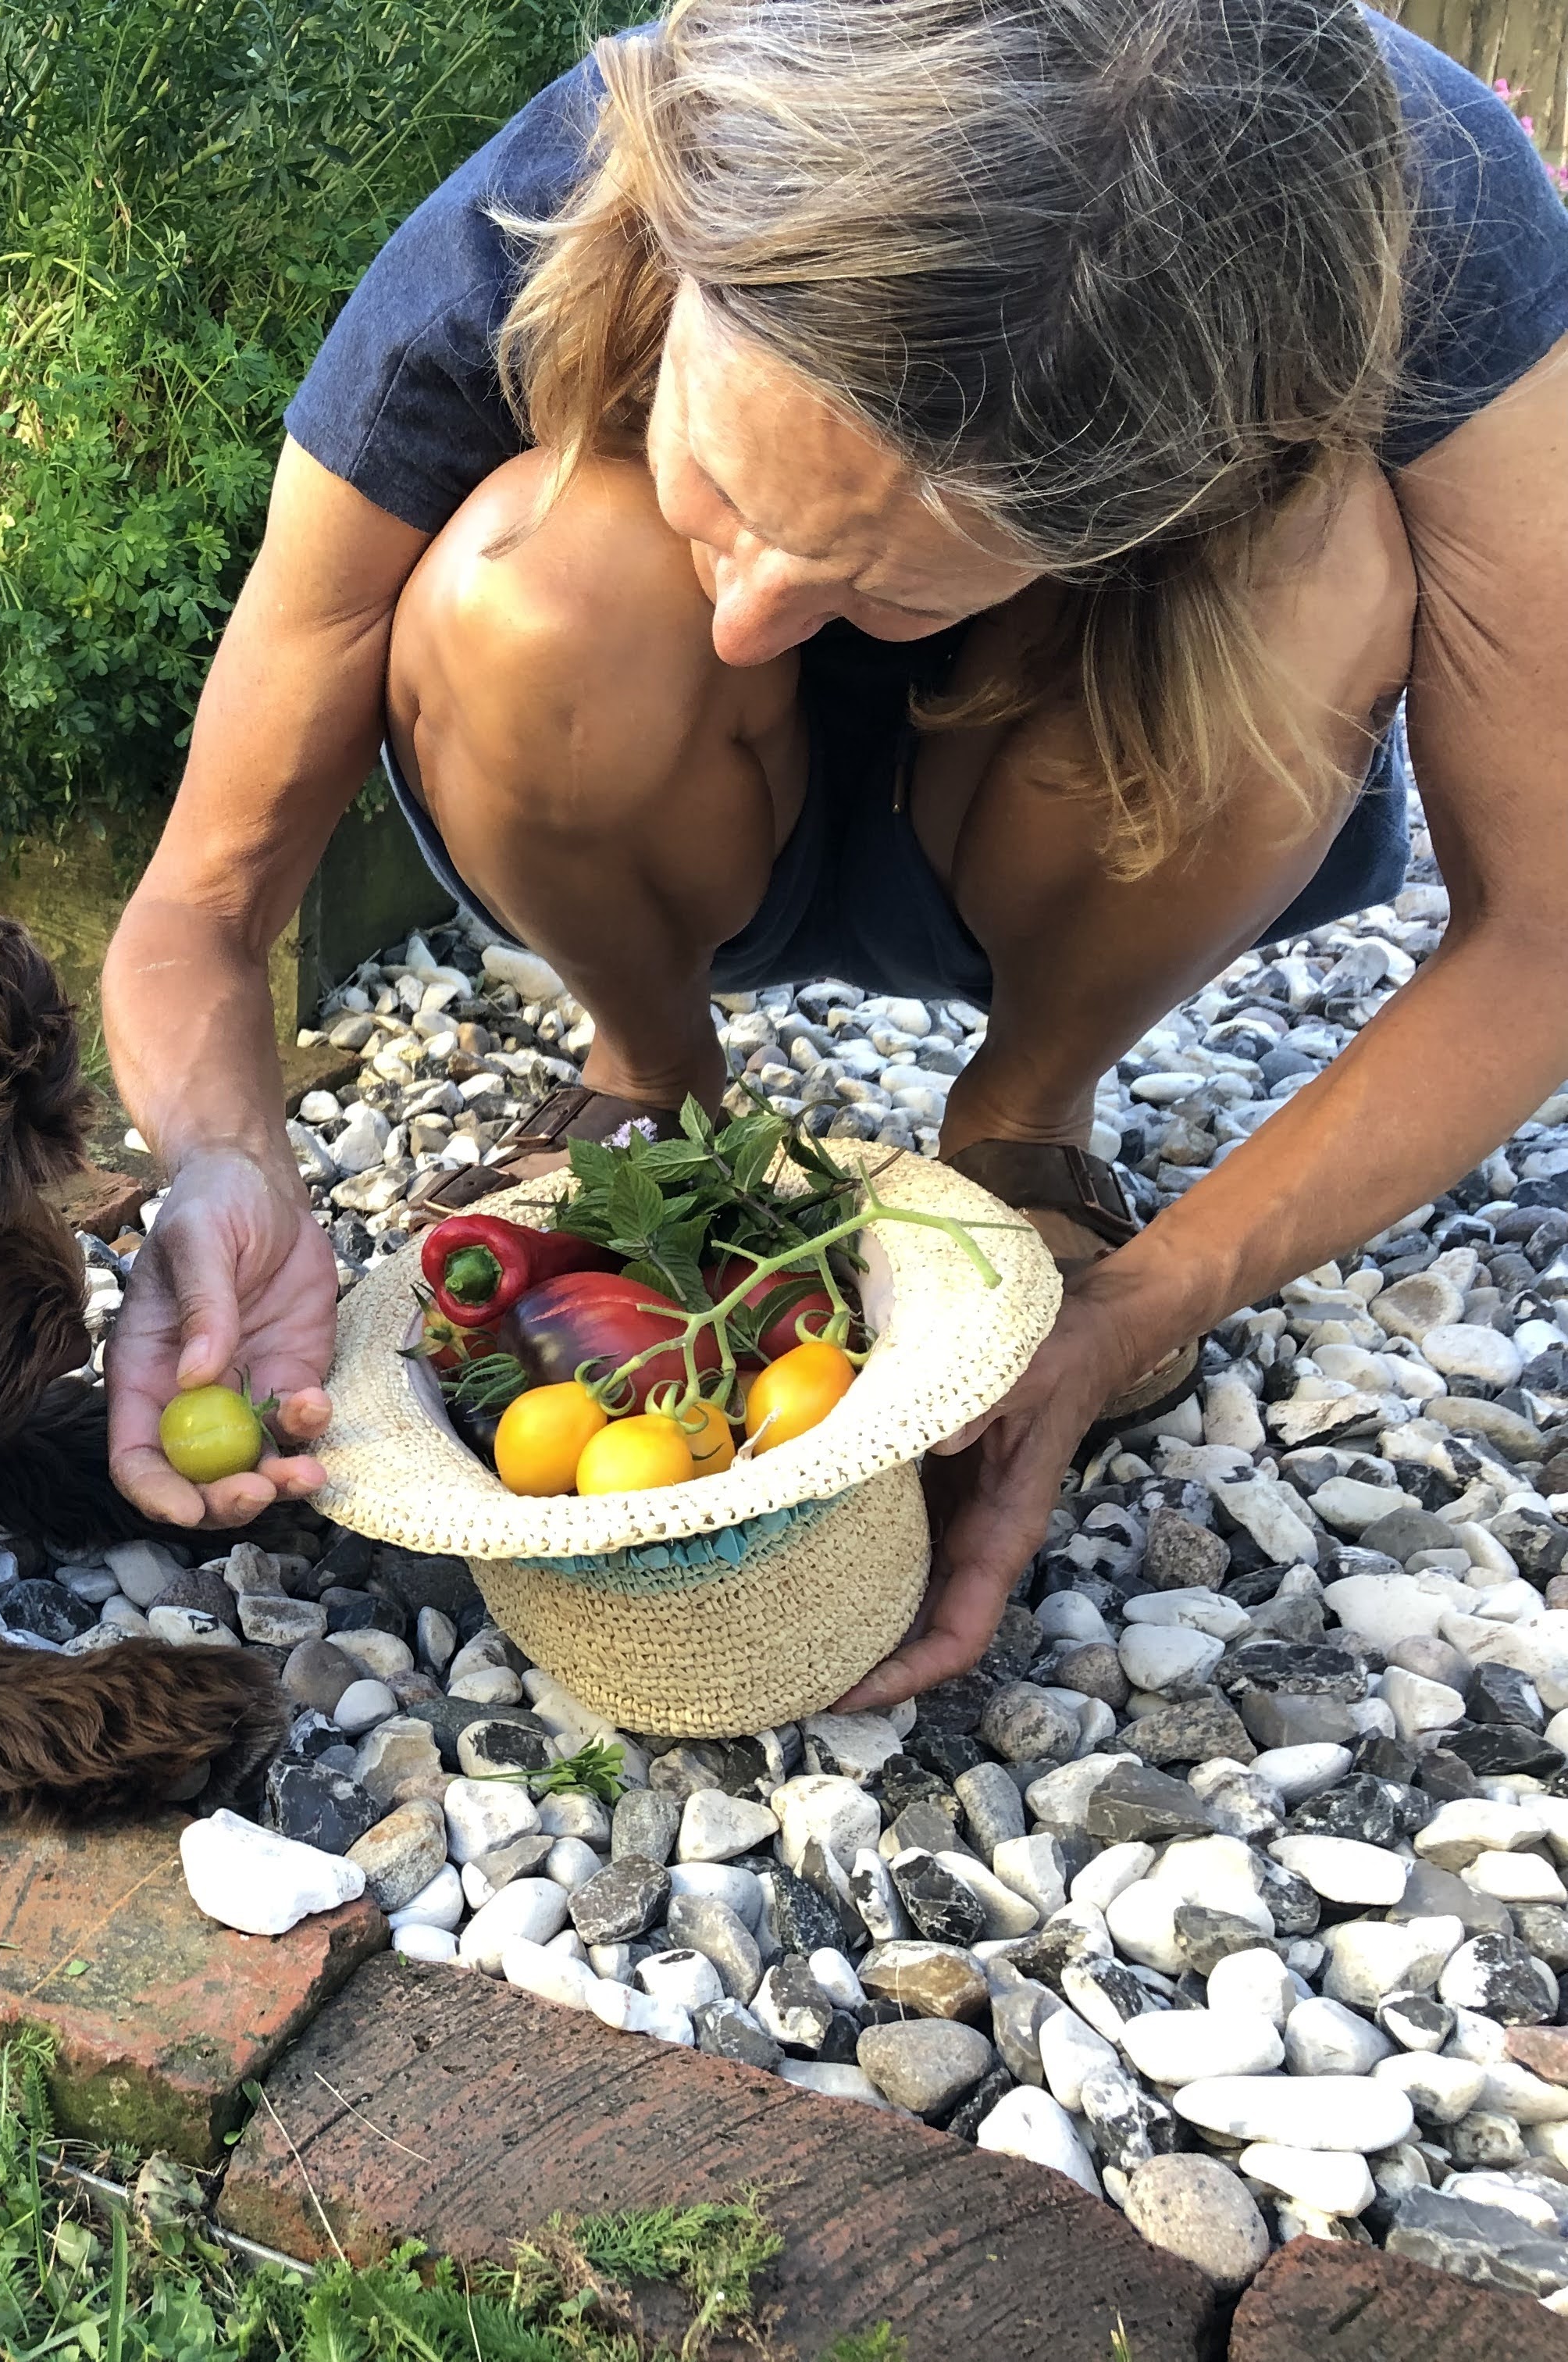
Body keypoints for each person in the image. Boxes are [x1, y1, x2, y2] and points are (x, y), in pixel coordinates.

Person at [98, 0, 1568, 1706]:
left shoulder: (1436, 222)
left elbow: (1541, 929)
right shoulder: (591, 171)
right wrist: (223, 1165)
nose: (743, 617)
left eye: (887, 581)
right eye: (720, 487)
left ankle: (1027, 1120)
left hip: (1072, 810)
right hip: (666, 811)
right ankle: (653, 1065)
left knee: (1317, 572)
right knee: (540, 587)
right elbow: (205, 896)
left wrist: (1146, 1303)